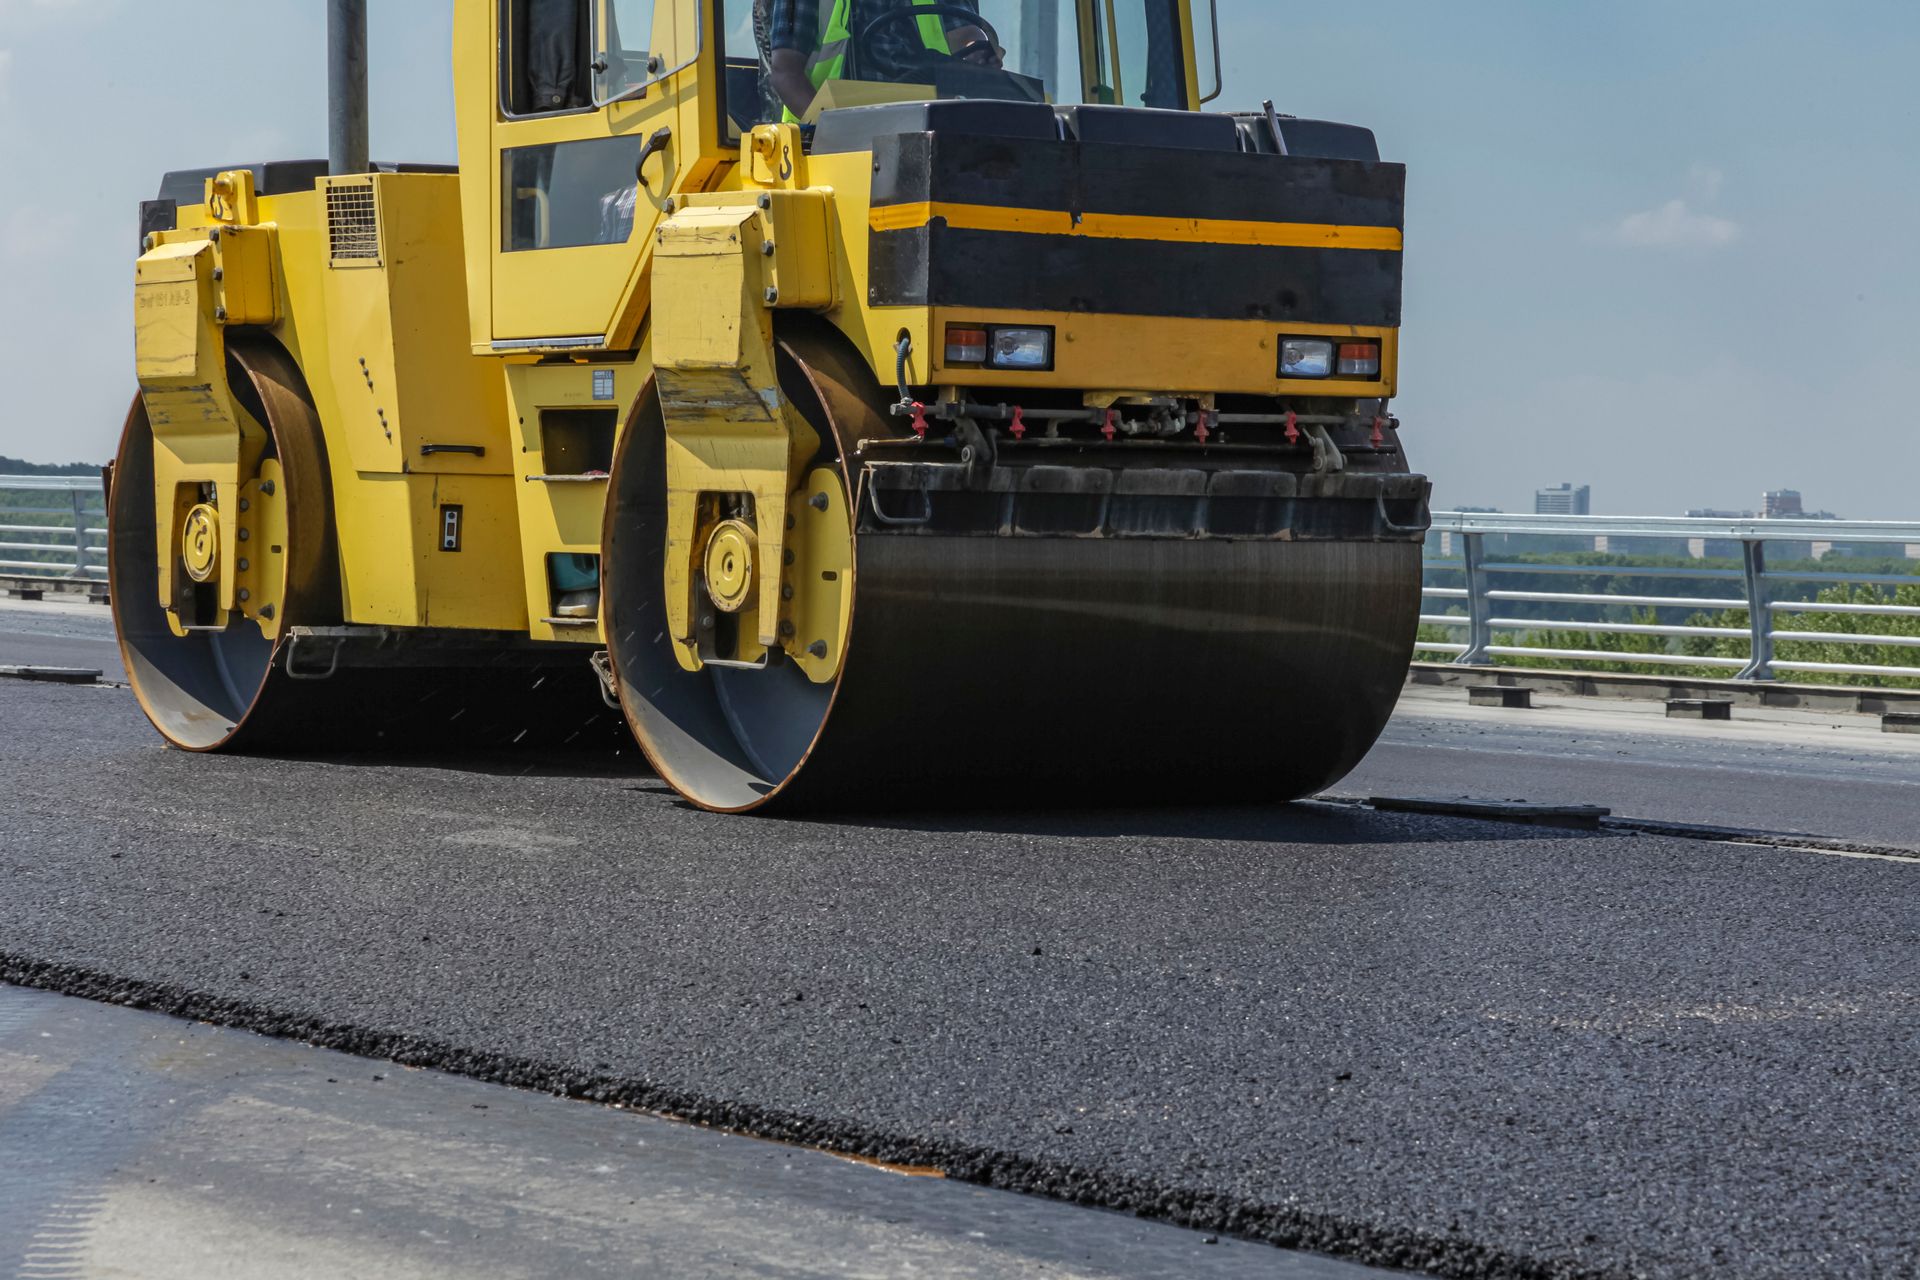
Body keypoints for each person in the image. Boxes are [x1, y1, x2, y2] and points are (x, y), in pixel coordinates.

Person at [766, 0, 991, 119]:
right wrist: (828, 133)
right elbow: (786, 73)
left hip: (927, 125)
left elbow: (967, 37)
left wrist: (979, 54)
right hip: (834, 137)